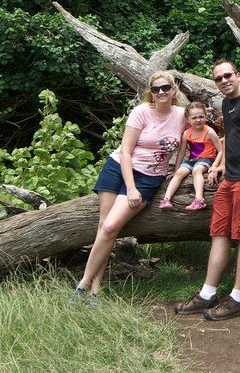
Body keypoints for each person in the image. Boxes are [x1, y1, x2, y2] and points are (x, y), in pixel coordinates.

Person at [174, 59, 240, 320]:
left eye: (227, 75)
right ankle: (208, 294)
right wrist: (219, 164)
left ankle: (238, 298)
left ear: (238, 75)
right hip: (230, 178)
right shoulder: (226, 104)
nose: (223, 81)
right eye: (218, 78)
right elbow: (230, 138)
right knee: (219, 232)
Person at [72, 71, 186, 306]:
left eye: (166, 88)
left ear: (174, 91)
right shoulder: (141, 112)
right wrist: (130, 188)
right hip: (119, 167)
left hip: (150, 176)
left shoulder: (182, 116)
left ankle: (84, 285)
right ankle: (93, 290)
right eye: (156, 89)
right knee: (104, 227)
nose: (161, 92)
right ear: (150, 93)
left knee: (111, 226)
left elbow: (203, 134)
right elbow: (125, 151)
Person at [159, 101, 222, 211]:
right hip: (192, 160)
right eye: (194, 118)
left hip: (206, 159)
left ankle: (199, 199)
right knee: (179, 173)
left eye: (201, 117)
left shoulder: (210, 132)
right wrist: (176, 169)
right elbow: (182, 152)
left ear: (206, 117)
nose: (198, 120)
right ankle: (166, 199)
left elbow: (221, 150)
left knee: (196, 170)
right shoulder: (187, 133)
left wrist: (215, 165)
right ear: (188, 120)